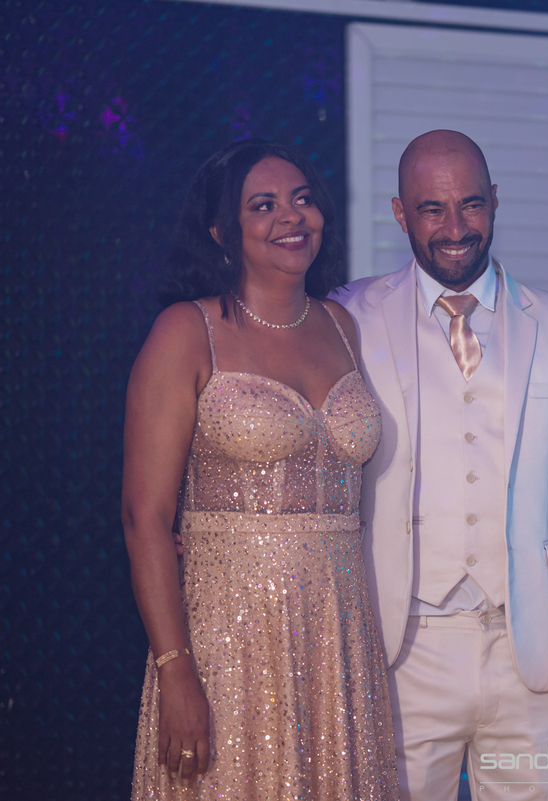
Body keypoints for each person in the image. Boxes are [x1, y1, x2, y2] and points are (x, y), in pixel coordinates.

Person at [332, 130, 548, 801]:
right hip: (400, 651)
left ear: (494, 201)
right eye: (431, 209)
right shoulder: (349, 316)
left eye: (470, 204)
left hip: (532, 651)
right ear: (400, 213)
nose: (455, 228)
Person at [123, 140, 398, 800]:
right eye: (264, 205)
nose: (291, 216)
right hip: (229, 637)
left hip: (338, 636)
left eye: (303, 199)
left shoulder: (340, 324)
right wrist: (175, 669)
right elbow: (144, 517)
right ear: (223, 230)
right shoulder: (186, 331)